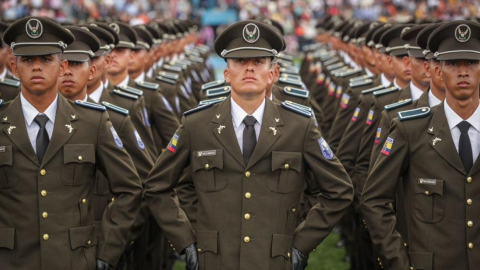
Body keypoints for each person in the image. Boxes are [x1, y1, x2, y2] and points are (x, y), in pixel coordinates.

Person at [144, 20, 353, 270]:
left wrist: (301, 243)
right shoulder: (196, 124)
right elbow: (157, 186)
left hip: (275, 261)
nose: (249, 69)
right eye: (240, 62)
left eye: (258, 62)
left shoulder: (299, 125)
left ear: (273, 73)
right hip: (215, 260)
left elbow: (339, 190)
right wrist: (187, 242)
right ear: (226, 73)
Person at [0, 17, 142, 270]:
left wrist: (107, 251)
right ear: (13, 66)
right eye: (27, 60)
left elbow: (129, 189)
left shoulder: (92, 122)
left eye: (46, 59)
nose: (36, 68)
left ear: (63, 65)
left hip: (75, 261)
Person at [361, 20, 480, 270]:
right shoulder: (410, 129)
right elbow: (374, 199)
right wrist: (398, 261)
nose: (463, 72)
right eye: (452, 63)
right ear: (437, 71)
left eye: (472, 63)